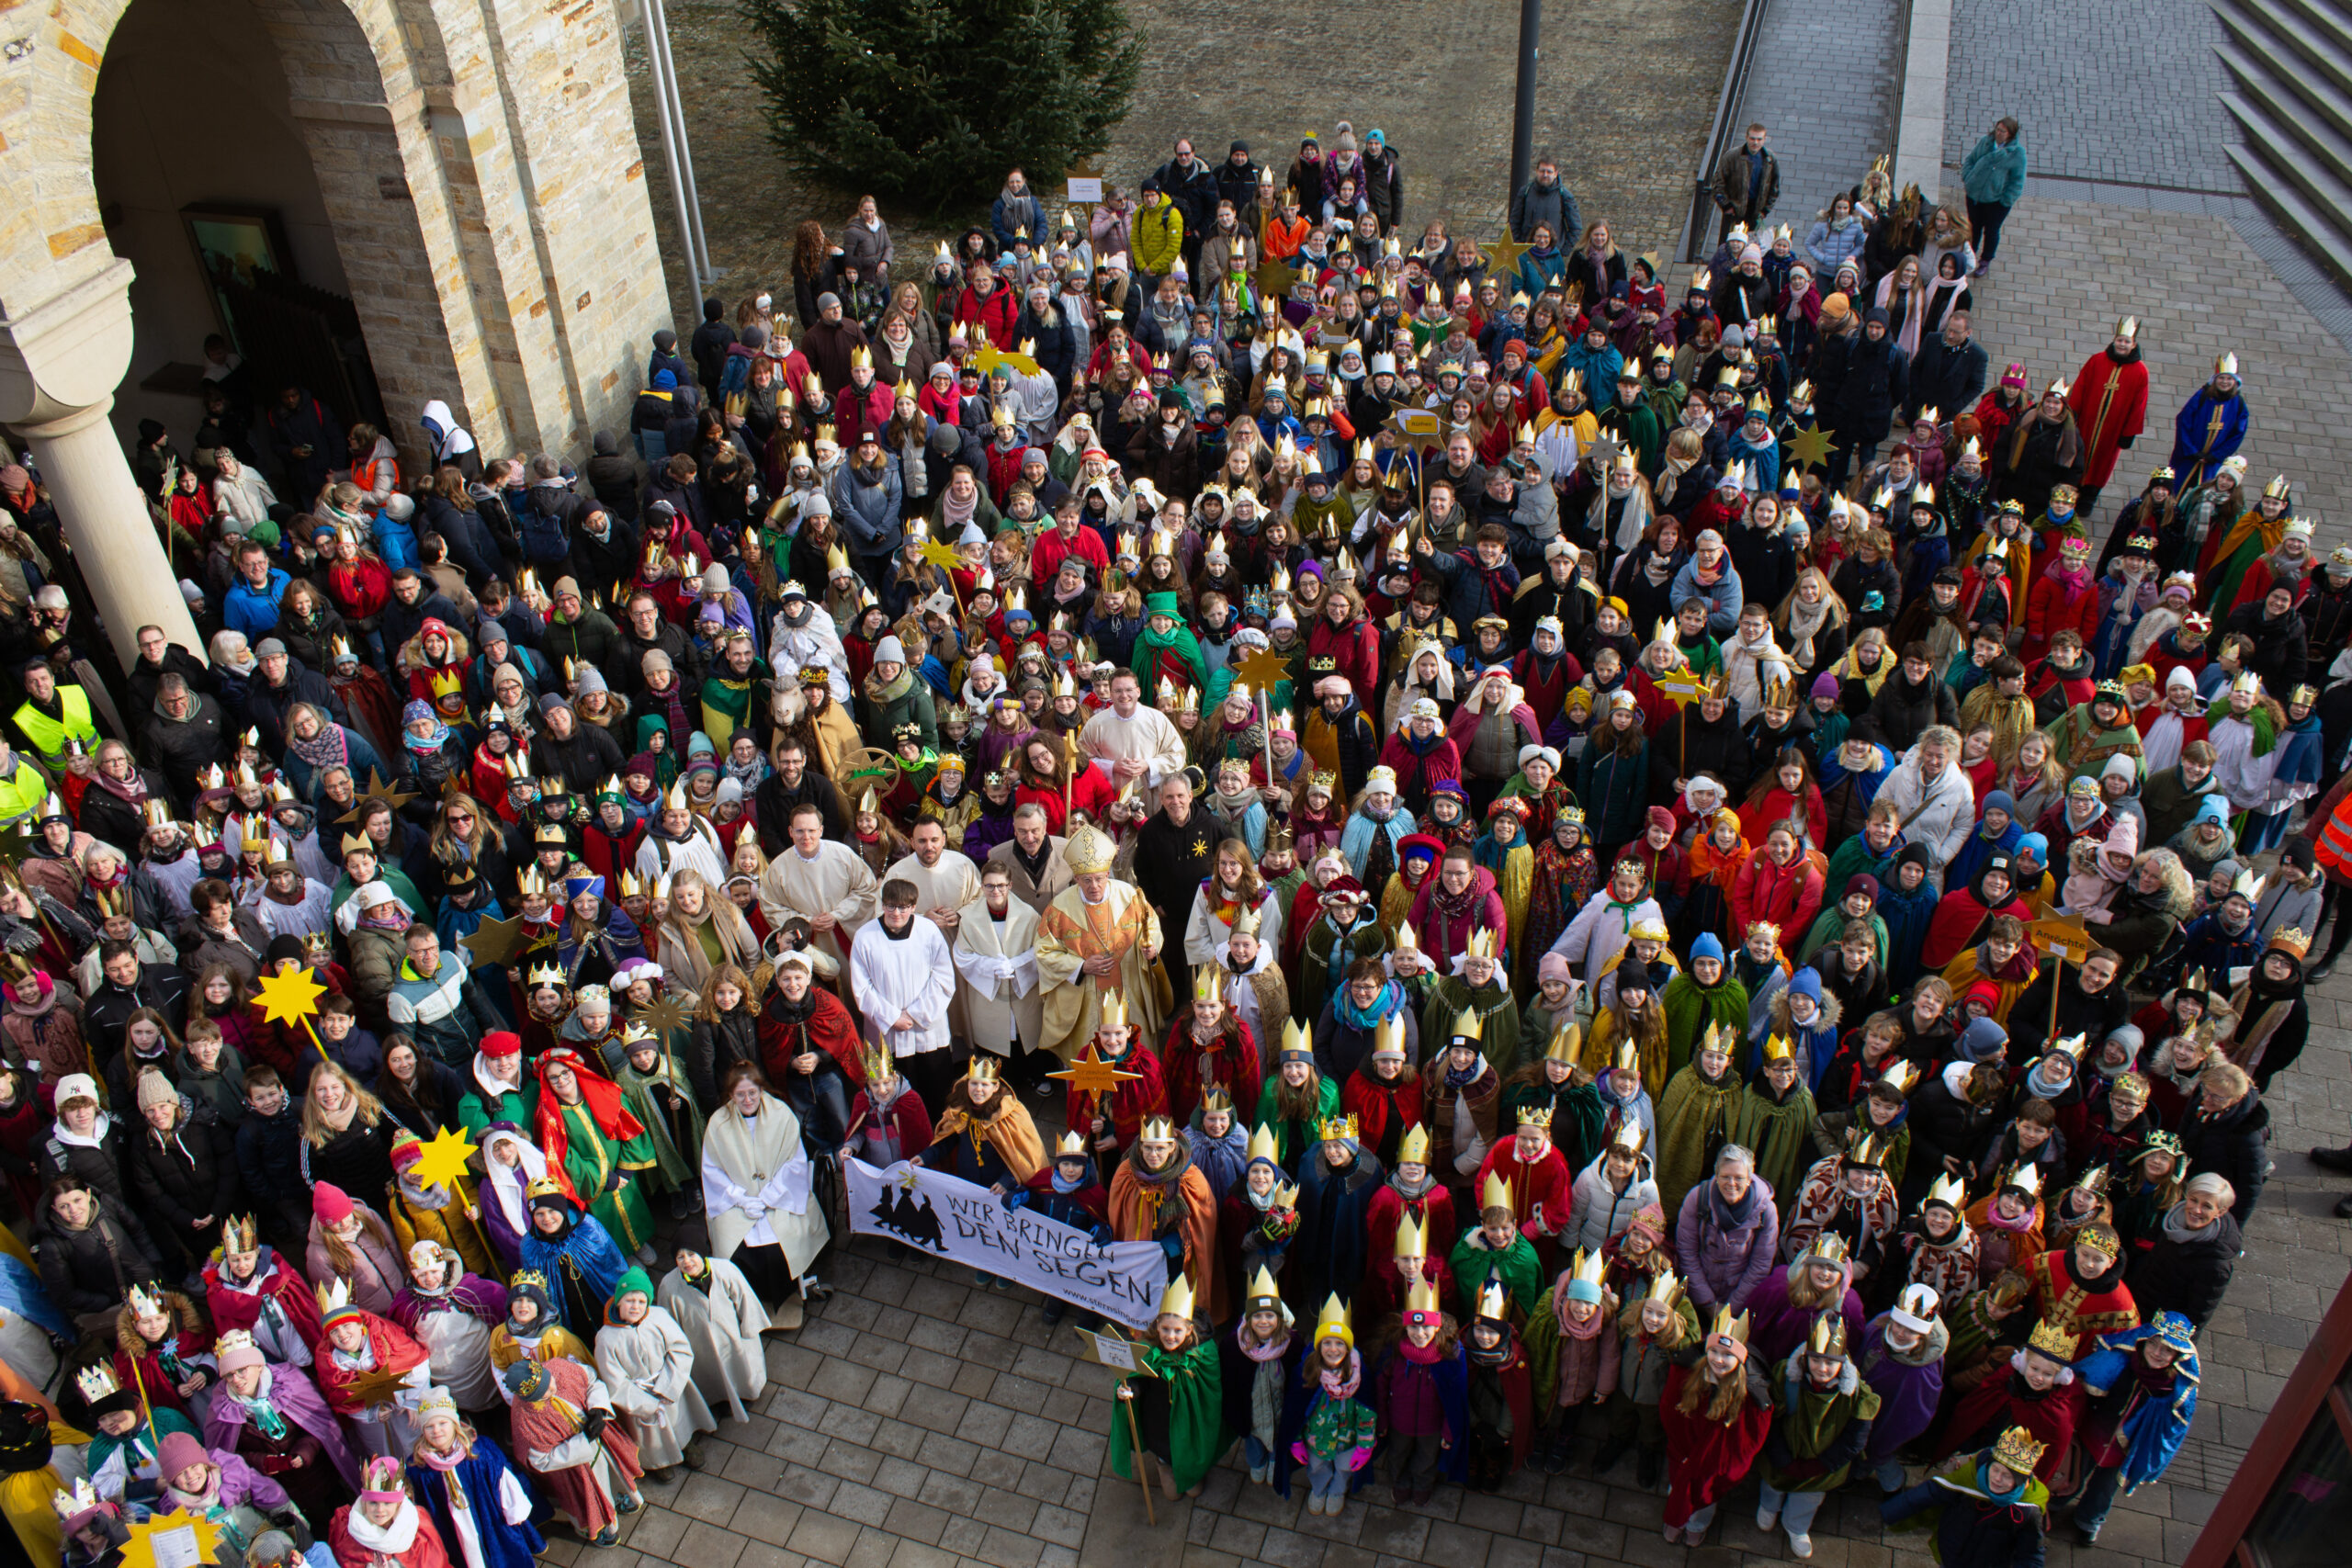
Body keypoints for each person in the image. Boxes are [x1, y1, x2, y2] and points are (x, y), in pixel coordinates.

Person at [591, 1266, 716, 1480]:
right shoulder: (606, 1338)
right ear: (619, 1301)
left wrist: (669, 1386)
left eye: (641, 1301)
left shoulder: (658, 1318)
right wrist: (646, 1404)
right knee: (651, 1435)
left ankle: (685, 1445)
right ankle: (658, 1462)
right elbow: (615, 1383)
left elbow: (680, 1349)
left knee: (678, 1419)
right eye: (630, 1300)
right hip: (639, 1395)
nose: (635, 1307)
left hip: (668, 1382)